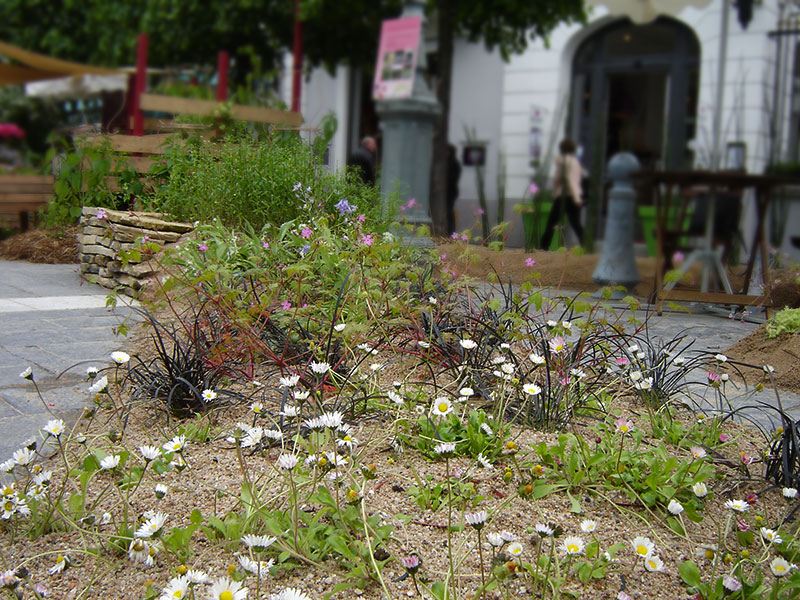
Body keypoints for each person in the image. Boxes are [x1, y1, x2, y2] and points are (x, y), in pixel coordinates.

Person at [540, 138, 585, 250]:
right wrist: (577, 197)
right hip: (574, 196)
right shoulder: (575, 162)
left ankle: (544, 246)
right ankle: (586, 244)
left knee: (551, 222)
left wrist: (555, 192)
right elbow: (578, 178)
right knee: (576, 223)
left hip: (564, 196)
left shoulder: (562, 161)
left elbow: (565, 179)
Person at [446, 144, 461, 235]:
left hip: (450, 192)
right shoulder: (444, 163)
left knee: (449, 212)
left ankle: (451, 232)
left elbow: (452, 179)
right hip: (447, 192)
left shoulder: (454, 164)